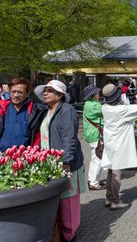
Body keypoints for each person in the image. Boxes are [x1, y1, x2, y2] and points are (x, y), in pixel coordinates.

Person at [34, 80, 85, 242]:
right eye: (45, 90)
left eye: (50, 90)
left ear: (60, 95)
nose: (45, 93)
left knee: (68, 203)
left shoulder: (67, 110)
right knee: (58, 202)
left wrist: (66, 161)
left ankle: (70, 236)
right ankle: (60, 233)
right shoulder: (47, 111)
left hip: (66, 164)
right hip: (51, 164)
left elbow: (69, 138)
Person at [101, 83, 137, 210]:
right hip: (120, 144)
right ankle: (115, 201)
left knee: (110, 170)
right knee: (117, 172)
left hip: (110, 143)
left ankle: (108, 197)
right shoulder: (121, 110)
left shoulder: (105, 108)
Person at [0, 78, 46, 151]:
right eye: (13, 92)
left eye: (20, 92)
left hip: (24, 157)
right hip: (2, 154)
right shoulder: (3, 108)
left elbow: (38, 135)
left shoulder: (36, 111)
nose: (16, 95)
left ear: (27, 93)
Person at [82, 84, 105, 190]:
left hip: (91, 134)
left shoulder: (88, 103)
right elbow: (105, 110)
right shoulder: (94, 105)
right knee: (98, 158)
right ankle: (93, 182)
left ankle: (92, 180)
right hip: (95, 134)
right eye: (96, 92)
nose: (98, 93)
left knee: (95, 157)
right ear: (92, 95)